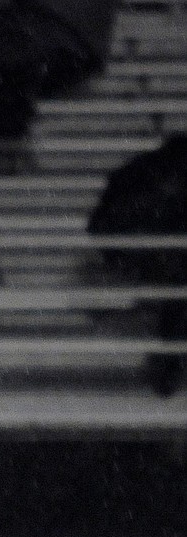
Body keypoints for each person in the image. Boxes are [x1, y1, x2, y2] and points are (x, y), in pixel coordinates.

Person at [88, 134, 187, 396]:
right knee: (177, 293)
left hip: (155, 256)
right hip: (148, 255)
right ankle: (167, 369)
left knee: (177, 294)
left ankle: (167, 368)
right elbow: (102, 225)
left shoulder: (141, 175)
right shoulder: (141, 181)